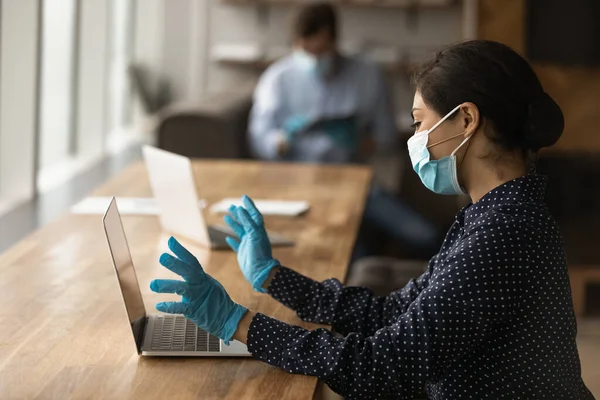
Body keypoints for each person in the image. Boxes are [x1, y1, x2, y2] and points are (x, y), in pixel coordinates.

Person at [149, 40, 595, 399]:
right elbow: (391, 312)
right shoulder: (494, 214)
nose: (416, 138)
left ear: (465, 121)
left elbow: (381, 369)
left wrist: (238, 324)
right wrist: (272, 277)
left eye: (421, 123)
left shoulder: (503, 234)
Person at [249, 2, 441, 258]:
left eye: (322, 49)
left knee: (424, 235)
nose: (315, 58)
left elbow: (386, 138)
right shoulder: (277, 79)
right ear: (296, 43)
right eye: (308, 50)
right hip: (298, 184)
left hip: (356, 182)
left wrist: (359, 140)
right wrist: (284, 139)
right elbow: (259, 138)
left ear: (334, 41)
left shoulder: (367, 75)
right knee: (353, 256)